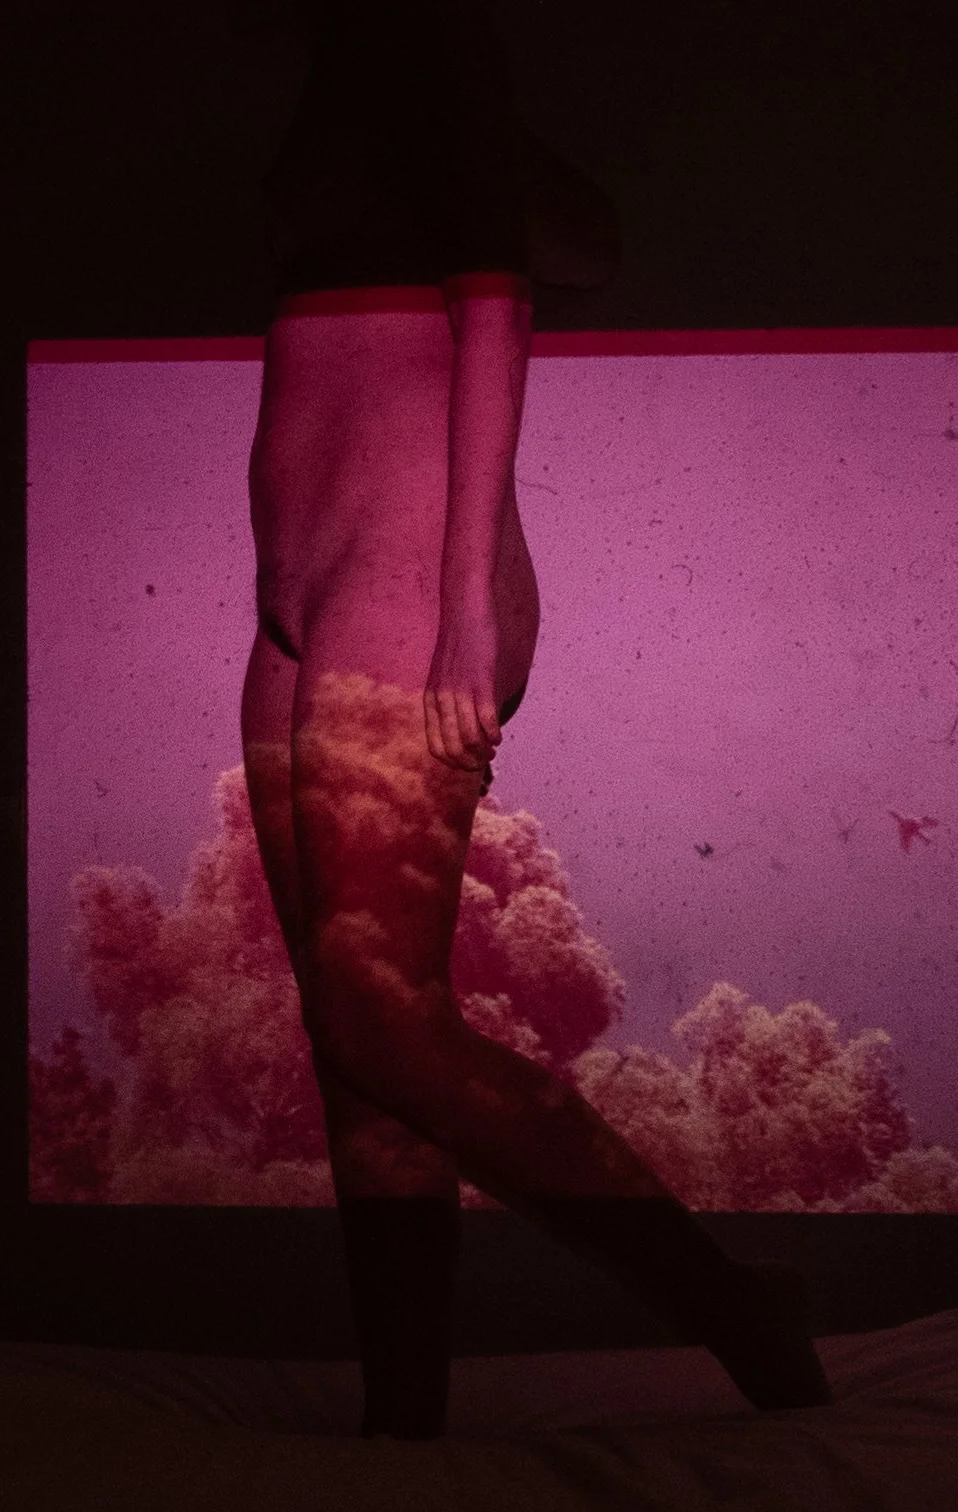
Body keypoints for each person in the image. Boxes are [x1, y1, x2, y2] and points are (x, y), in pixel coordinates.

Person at [238, 0, 831, 1439]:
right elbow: (559, 235)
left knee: (382, 1022)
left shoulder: (433, 34)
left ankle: (732, 1305)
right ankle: (403, 1423)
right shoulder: (349, 64)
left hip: (402, 582)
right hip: (297, 590)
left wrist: (465, 616)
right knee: (354, 1045)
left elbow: (497, 306)